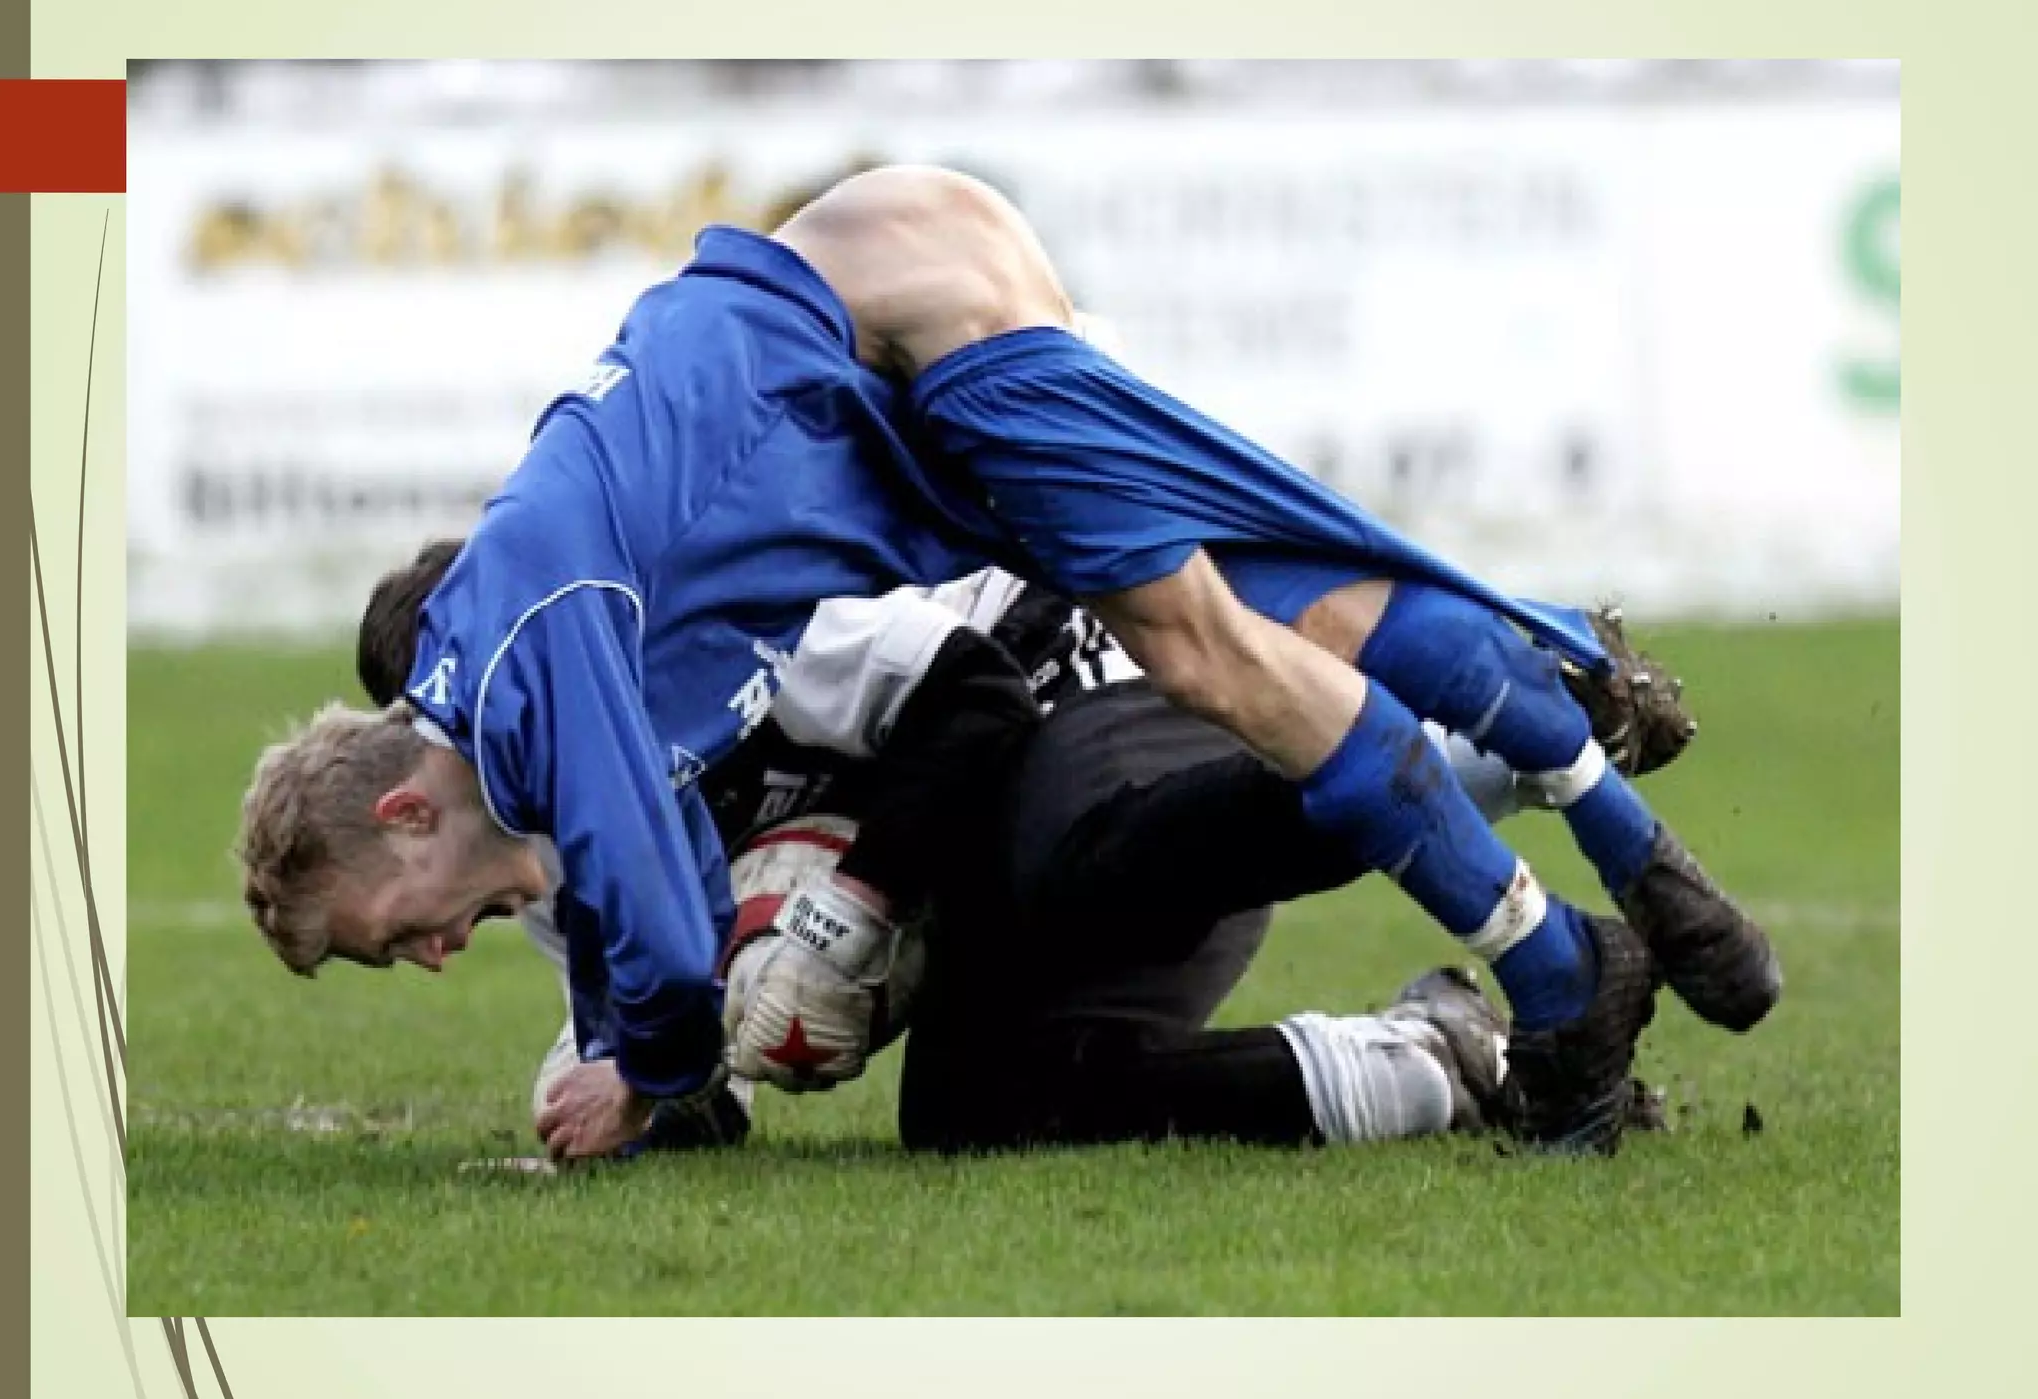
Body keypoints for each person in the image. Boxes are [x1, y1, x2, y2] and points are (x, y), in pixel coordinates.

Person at [238, 164, 1774, 1160]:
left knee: (1207, 651)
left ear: (404, 815)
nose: (422, 960)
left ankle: (1567, 937)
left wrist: (659, 1056)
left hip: (913, 315)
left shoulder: (527, 655)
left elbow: (645, 893)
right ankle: (1579, 764)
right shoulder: (505, 682)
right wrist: (664, 1054)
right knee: (1284, 603)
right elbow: (641, 891)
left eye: (386, 936)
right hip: (908, 400)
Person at [355, 549, 1680, 1156]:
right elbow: (696, 1074)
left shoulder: (703, 638)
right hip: (1014, 853)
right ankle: (1440, 1063)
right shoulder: (543, 857)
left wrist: (853, 899)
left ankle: (1492, 741)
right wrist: (642, 1093)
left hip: (1086, 715)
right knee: (980, 1112)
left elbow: (974, 700)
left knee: (1066, 849)